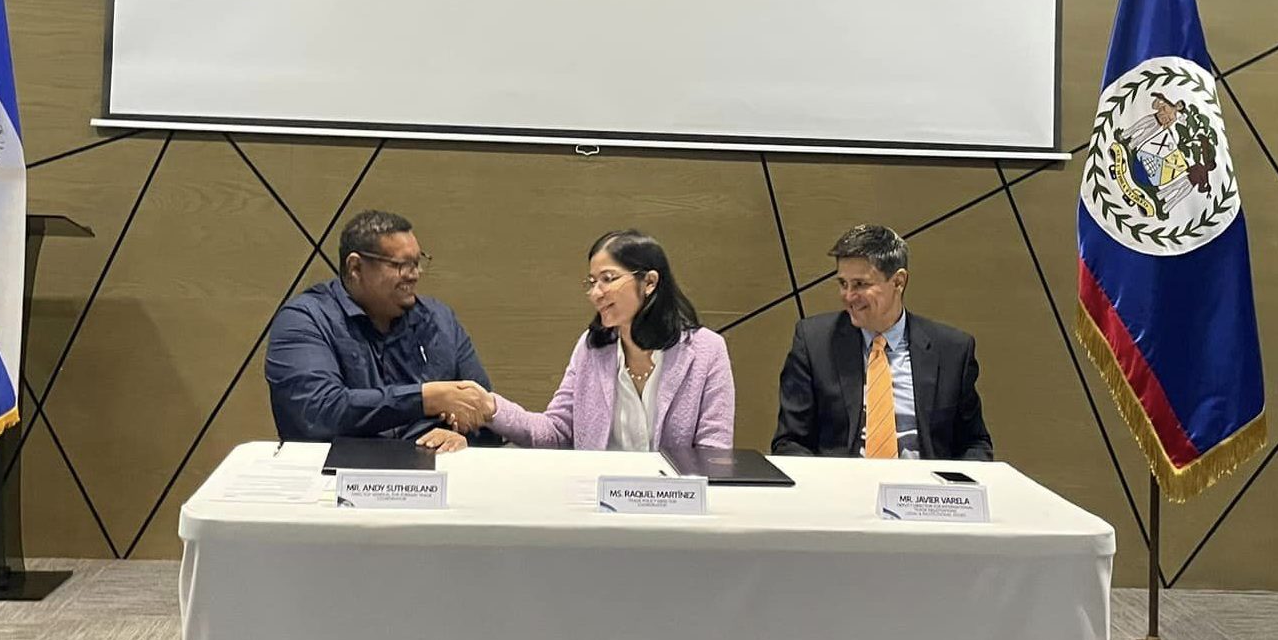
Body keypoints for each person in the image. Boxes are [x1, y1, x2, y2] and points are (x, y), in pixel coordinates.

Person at [480, 230, 734, 450]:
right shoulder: (591, 348)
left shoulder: (706, 350)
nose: (596, 293)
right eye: (592, 282)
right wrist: (492, 408)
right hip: (601, 499)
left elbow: (713, 452)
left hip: (673, 501)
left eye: (608, 279)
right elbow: (557, 432)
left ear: (649, 282)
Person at [265, 210, 495, 452]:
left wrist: (463, 439)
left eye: (417, 263)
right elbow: (317, 413)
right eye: (402, 265)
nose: (415, 275)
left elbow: (486, 412)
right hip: (334, 477)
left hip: (429, 478)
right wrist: (425, 399)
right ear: (355, 267)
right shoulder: (306, 319)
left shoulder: (439, 320)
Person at [771, 224, 991, 460]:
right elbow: (790, 442)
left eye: (860, 284)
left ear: (898, 282)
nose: (848, 297)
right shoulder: (814, 343)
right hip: (842, 488)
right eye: (843, 284)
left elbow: (975, 443)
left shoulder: (952, 351)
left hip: (923, 490)